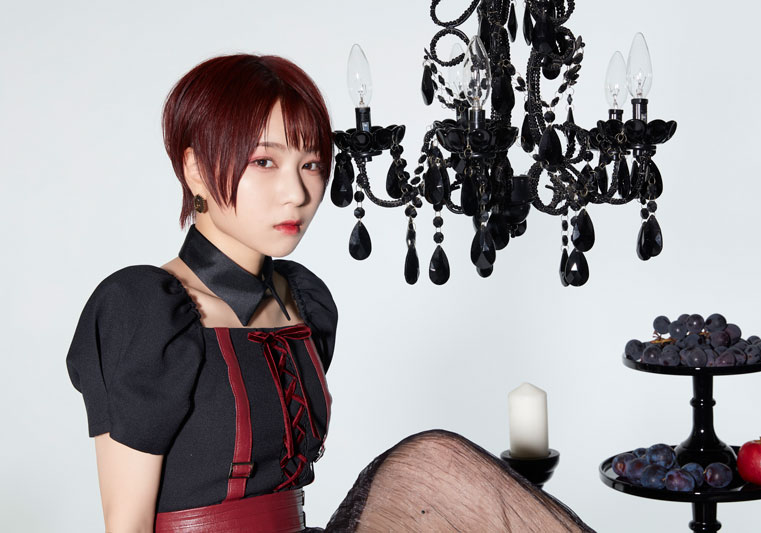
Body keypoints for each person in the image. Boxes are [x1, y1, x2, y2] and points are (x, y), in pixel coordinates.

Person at [67, 54, 594, 533]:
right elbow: (126, 522)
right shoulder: (145, 307)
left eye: (312, 164)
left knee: (434, 462)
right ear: (195, 169)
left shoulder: (302, 301)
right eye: (264, 162)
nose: (297, 192)